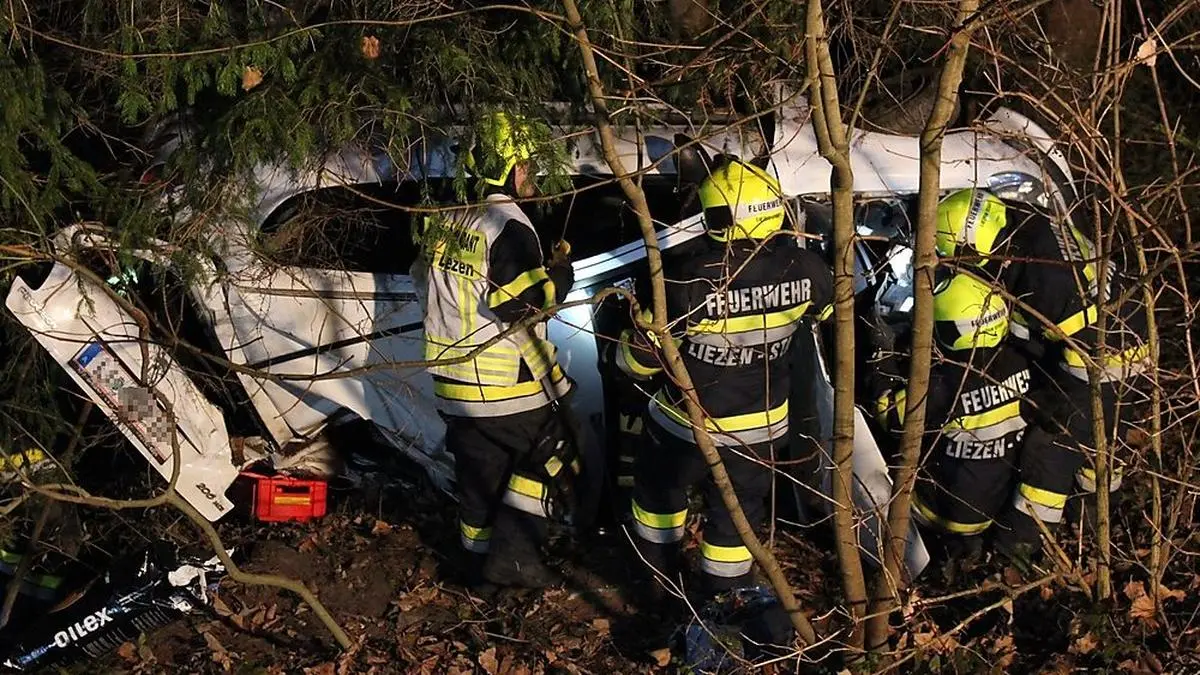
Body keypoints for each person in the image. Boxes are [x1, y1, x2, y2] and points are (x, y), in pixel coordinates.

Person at [615, 157, 834, 595]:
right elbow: (826, 312)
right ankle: (724, 603)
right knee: (738, 521)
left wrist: (632, 330)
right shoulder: (807, 269)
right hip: (761, 430)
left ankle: (657, 586)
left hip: (685, 427)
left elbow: (634, 364)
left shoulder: (687, 280)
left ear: (718, 217)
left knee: (659, 499)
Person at [412, 111, 578, 589]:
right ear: (510, 166)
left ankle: (478, 575)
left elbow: (421, 278)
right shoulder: (507, 224)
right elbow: (519, 304)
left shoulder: (447, 220)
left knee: (479, 483)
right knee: (554, 456)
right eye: (525, 164)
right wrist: (559, 277)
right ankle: (517, 562)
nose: (528, 174)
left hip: (453, 386)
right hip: (506, 389)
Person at [933, 188, 1147, 557]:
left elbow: (1041, 333)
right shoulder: (1023, 221)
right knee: (1101, 448)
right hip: (1117, 336)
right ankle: (1100, 531)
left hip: (1100, 366)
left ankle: (1019, 556)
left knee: (1050, 454)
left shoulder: (1043, 278)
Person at [872, 270, 1035, 565]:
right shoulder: (1023, 363)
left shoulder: (944, 383)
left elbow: (888, 416)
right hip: (997, 506)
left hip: (937, 510)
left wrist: (882, 360)